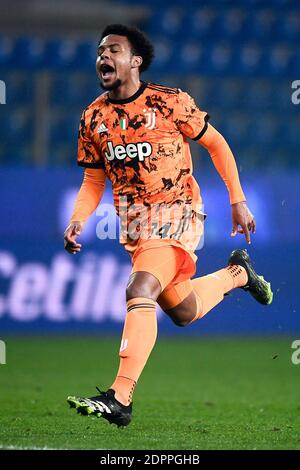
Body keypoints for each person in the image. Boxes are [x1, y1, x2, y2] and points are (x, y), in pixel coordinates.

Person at [65, 24, 273, 427]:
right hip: (136, 229)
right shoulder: (93, 117)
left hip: (178, 214)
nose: (103, 57)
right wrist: (78, 219)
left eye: (113, 50)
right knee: (182, 311)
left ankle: (120, 396)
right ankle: (237, 275)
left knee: (139, 288)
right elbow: (94, 179)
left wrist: (237, 199)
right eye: (100, 51)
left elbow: (217, 144)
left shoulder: (170, 102)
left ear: (135, 61)